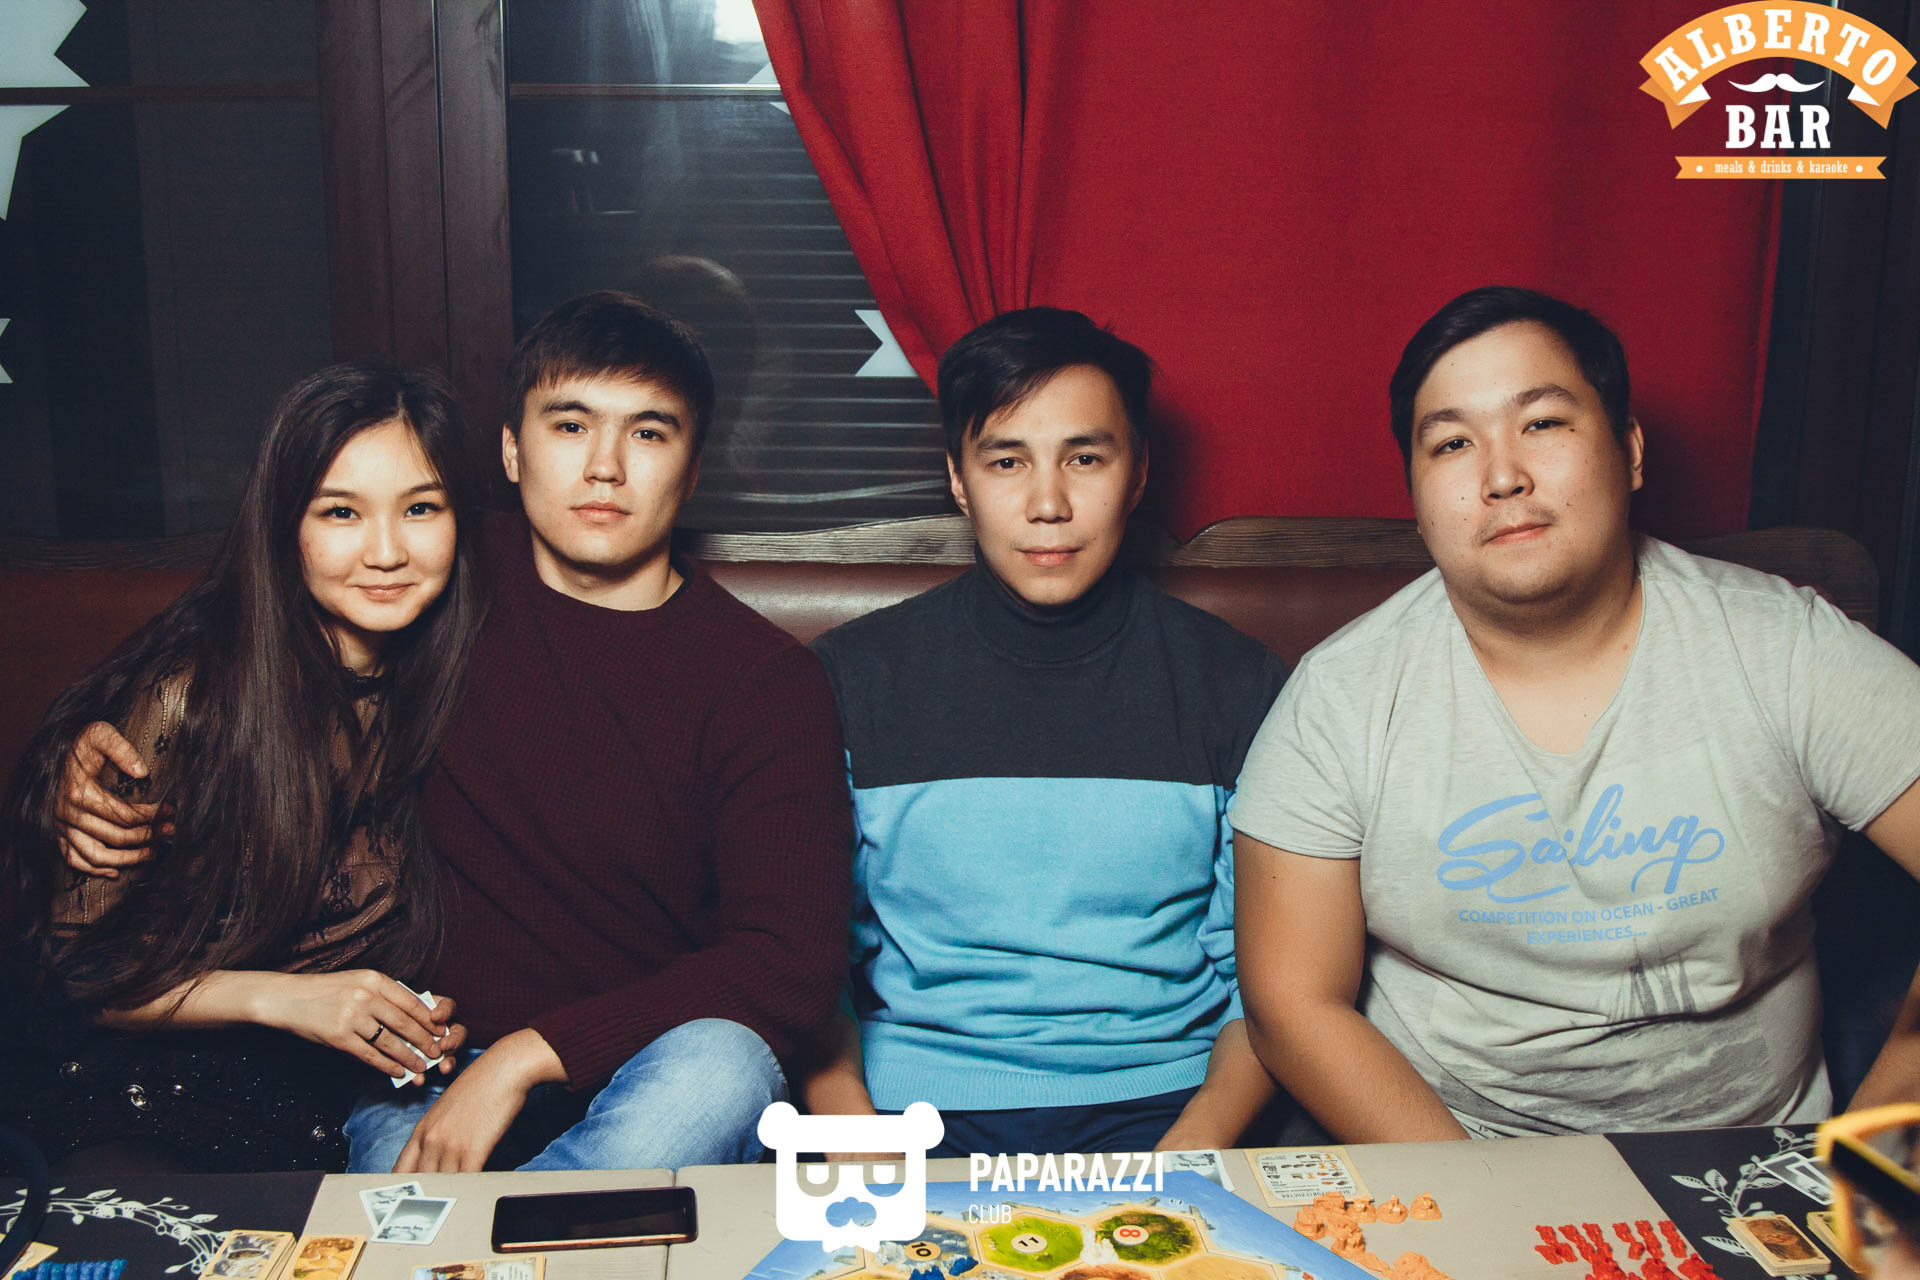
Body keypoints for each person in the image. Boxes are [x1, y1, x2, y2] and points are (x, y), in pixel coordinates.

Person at [54, 291, 852, 1172]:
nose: (605, 468)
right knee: (416, 1203)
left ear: (693, 468)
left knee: (725, 1065)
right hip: (427, 1058)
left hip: (648, 1058)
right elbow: (255, 630)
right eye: (571, 426)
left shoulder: (763, 681)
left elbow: (790, 962)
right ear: (511, 451)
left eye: (649, 433)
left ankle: (499, 1235)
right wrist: (93, 754)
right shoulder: (434, 578)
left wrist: (526, 1058)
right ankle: (532, 1234)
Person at [1229, 285, 1920, 1141]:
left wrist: (1870, 1164)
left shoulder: (1785, 649)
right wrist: (1483, 1196)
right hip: (1450, 1143)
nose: (1502, 477)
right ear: (1415, 494)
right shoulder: (1342, 695)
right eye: (1452, 443)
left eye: (1544, 423)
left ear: (1629, 451)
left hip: (1750, 1152)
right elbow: (1293, 1003)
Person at [800, 307, 1288, 1156]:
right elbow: (807, 966)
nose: (1048, 504)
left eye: (1085, 458)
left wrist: (1185, 1160)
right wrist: (859, 1137)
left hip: (1174, 1102)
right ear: (958, 480)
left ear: (1138, 473)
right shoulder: (850, 677)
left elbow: (1272, 987)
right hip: (907, 1113)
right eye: (1007, 462)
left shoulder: (1236, 684)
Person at [0, 364, 486, 1172]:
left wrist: (415, 1020)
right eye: (340, 511)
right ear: (285, 525)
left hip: (339, 1096)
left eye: (421, 508)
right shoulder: (193, 698)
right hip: (146, 1088)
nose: (387, 552)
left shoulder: (459, 676)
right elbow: (73, 970)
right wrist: (284, 999)